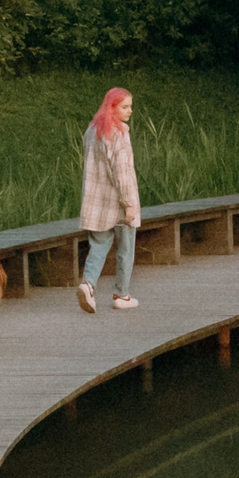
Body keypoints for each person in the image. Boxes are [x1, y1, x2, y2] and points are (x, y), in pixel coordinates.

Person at [77, 86, 141, 312]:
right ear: (111, 108)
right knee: (126, 248)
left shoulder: (92, 131)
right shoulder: (119, 134)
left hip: (97, 202)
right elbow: (121, 172)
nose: (129, 111)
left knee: (99, 245)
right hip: (119, 202)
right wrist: (129, 205)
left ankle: (88, 284)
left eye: (130, 106)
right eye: (124, 107)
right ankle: (121, 295)